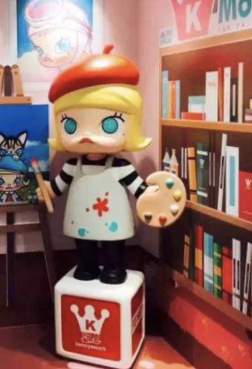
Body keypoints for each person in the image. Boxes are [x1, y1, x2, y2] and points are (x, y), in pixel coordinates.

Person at [37, 45, 165, 285]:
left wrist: (155, 196)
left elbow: (139, 189)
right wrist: (46, 190)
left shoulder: (120, 166)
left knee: (113, 246)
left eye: (109, 124)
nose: (87, 137)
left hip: (113, 221)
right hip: (81, 220)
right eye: (71, 126)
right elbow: (57, 187)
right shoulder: (72, 165)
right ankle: (87, 266)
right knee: (84, 246)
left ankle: (115, 268)